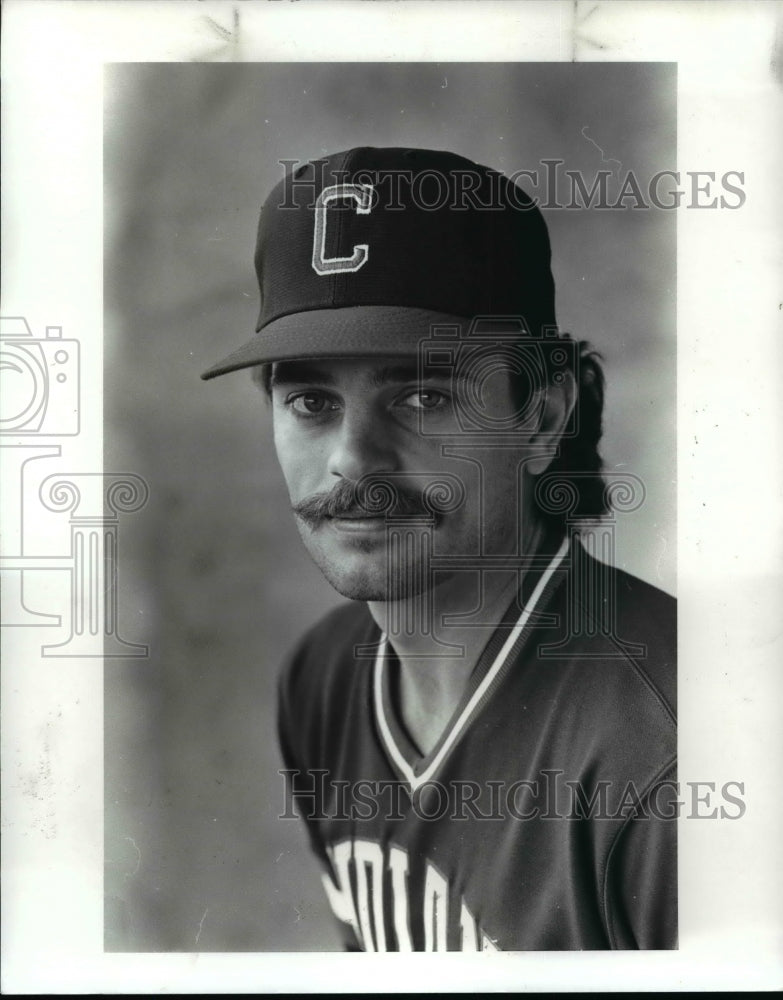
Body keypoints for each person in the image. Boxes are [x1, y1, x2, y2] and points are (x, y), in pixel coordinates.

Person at [201, 146, 677, 951]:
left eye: (421, 395)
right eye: (310, 400)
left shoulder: (667, 747)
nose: (354, 457)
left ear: (540, 416)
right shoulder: (321, 678)